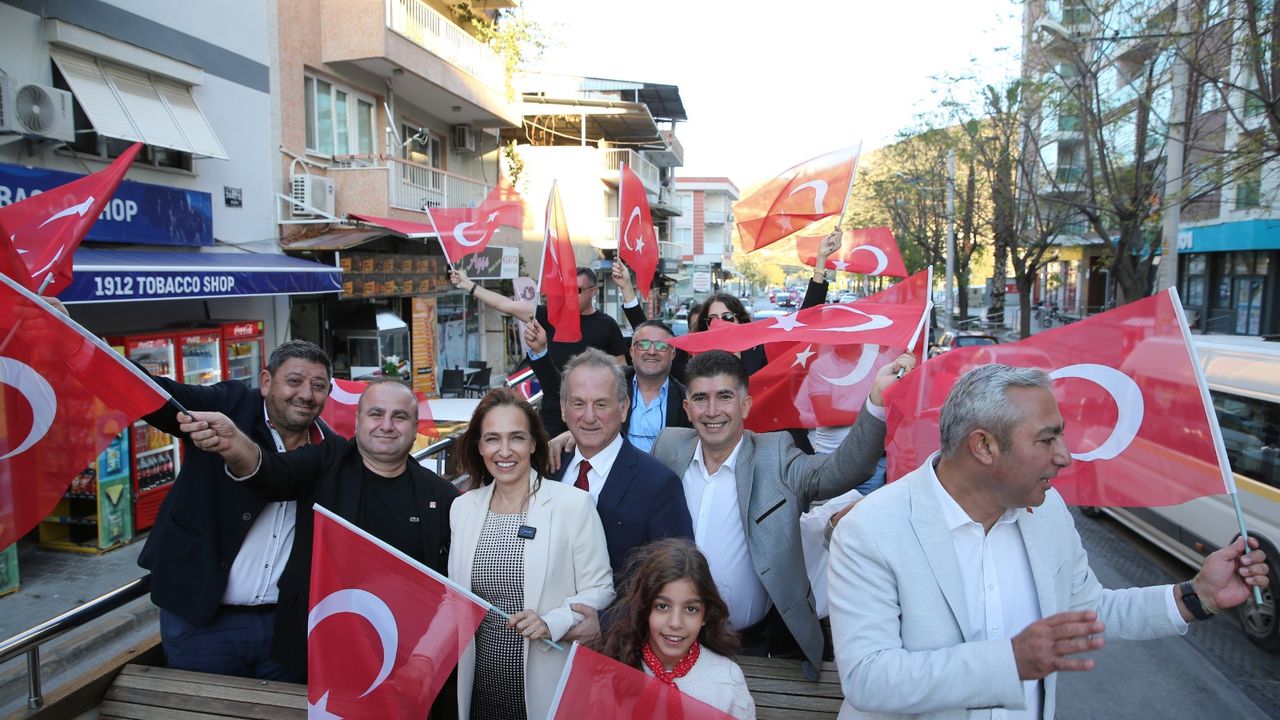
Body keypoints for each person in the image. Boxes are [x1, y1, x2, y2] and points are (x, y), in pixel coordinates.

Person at [827, 364, 1271, 720]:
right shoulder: (872, 529)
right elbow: (869, 679)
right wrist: (1011, 661)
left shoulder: (1048, 512)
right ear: (983, 446)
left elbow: (1088, 612)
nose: (1065, 455)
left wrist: (1199, 596)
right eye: (1047, 439)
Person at [178, 378, 459, 695]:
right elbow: (273, 473)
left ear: (414, 425)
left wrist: (426, 659)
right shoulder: (327, 461)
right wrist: (234, 445)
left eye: (399, 416)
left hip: (399, 662)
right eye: (376, 414)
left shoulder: (442, 497)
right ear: (357, 420)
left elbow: (450, 591)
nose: (386, 426)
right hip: (315, 655)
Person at [649, 349, 914, 680]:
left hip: (750, 646)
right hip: (669, 640)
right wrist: (579, 440)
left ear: (745, 405)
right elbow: (627, 472)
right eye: (701, 398)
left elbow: (844, 469)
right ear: (687, 408)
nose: (712, 411)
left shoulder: (775, 457)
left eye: (725, 397)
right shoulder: (667, 447)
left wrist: (876, 399)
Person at [137, 340, 332, 682]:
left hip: (283, 626)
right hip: (201, 620)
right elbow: (155, 396)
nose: (306, 394)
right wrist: (76, 343)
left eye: (318, 386)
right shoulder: (231, 404)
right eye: (295, 381)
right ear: (267, 381)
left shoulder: (329, 450)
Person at [450, 387, 615, 720]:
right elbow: (454, 598)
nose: (505, 450)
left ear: (534, 443)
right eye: (492, 439)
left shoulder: (573, 505)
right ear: (479, 446)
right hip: (478, 688)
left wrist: (552, 621)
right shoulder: (462, 507)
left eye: (517, 437)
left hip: (546, 687)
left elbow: (601, 590)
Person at [550, 348, 692, 577]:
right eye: (578, 403)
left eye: (601, 404)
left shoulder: (659, 485)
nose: (588, 416)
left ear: (624, 408)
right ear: (563, 408)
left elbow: (673, 580)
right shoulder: (547, 468)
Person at [451, 266, 626, 436]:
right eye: (567, 290)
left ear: (592, 291)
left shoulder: (607, 324)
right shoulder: (549, 315)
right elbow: (505, 305)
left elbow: (621, 369)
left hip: (591, 409)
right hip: (553, 407)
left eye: (577, 290)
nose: (570, 296)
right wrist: (469, 285)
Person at [602, 538, 756, 720]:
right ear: (645, 608)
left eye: (691, 609)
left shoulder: (726, 680)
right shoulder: (615, 669)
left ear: (705, 615)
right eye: (662, 606)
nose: (675, 623)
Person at [528, 317, 690, 453]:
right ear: (632, 351)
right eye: (643, 345)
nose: (652, 352)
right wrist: (540, 352)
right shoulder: (609, 381)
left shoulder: (686, 399)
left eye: (661, 345)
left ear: (673, 353)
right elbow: (561, 389)